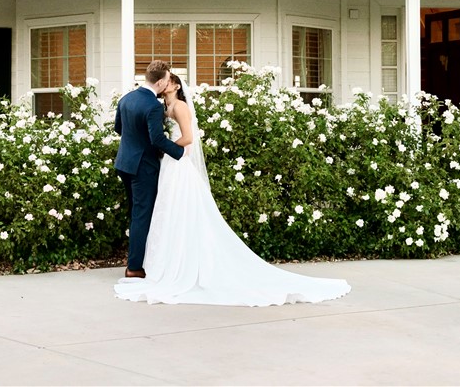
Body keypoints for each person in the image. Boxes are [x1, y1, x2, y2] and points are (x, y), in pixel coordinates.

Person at [115, 72, 351, 306]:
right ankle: (148, 264)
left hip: (154, 164)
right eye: (166, 79)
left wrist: (170, 151)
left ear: (175, 86)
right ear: (161, 82)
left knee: (163, 213)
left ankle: (162, 264)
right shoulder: (159, 106)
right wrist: (164, 150)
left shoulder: (146, 102)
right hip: (158, 165)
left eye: (171, 80)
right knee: (154, 213)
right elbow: (152, 137)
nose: (167, 83)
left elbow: (183, 137)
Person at [113, 60, 187, 279]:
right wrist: (180, 153)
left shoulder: (126, 98)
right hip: (142, 167)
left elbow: (119, 128)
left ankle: (141, 259)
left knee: (136, 213)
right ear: (162, 81)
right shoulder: (153, 106)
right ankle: (134, 267)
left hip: (124, 163)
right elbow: (156, 139)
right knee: (142, 215)